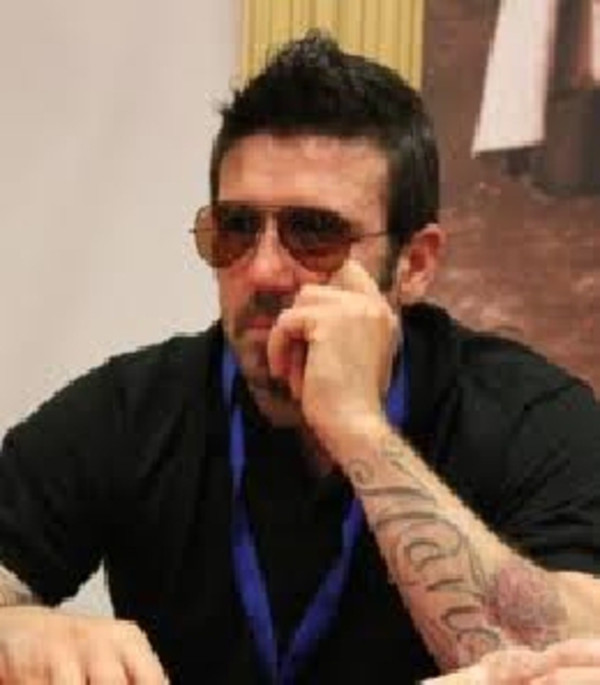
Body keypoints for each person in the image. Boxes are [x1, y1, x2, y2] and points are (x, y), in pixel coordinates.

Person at [1, 31, 600, 685]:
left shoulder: (530, 415)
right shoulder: (131, 409)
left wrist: (361, 430)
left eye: (314, 232)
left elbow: (572, 655)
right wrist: (15, 630)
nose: (262, 270)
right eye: (236, 228)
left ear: (415, 265)